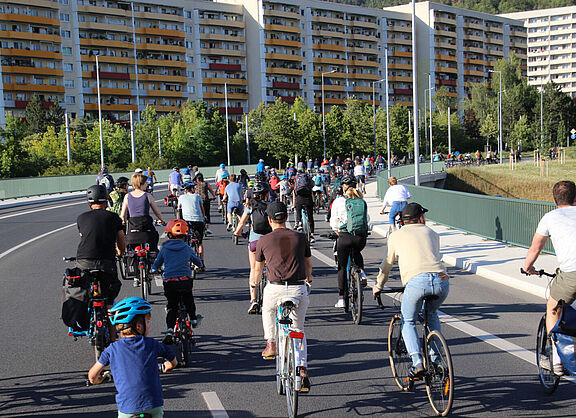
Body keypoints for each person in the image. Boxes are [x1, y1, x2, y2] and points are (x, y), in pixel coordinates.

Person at [372, 203, 449, 379]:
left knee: (408, 320)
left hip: (416, 283)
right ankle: (436, 361)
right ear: (421, 218)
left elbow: (387, 265)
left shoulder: (396, 236)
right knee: (432, 314)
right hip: (441, 281)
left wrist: (379, 285)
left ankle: (417, 363)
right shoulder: (432, 233)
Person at [253, 201, 312, 391]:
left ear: (269, 220)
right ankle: (301, 368)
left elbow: (257, 270)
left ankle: (271, 343)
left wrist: (254, 286)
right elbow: (308, 265)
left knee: (268, 310)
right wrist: (308, 278)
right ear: (286, 217)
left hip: (275, 288)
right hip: (298, 289)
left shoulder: (263, 240)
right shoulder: (301, 237)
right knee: (298, 329)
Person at [88, 297, 177, 418]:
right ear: (139, 326)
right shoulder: (152, 344)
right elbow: (173, 361)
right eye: (147, 322)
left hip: (128, 408)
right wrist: (167, 366)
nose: (149, 326)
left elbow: (92, 376)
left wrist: (98, 380)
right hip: (153, 405)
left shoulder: (112, 349)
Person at [523, 180, 576, 376]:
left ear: (554, 200)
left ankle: (556, 360)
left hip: (571, 275)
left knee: (553, 307)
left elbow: (535, 248)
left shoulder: (550, 217)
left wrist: (528, 267)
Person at [77, 184, 125, 339]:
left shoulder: (81, 217)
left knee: (85, 291)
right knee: (110, 298)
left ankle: (86, 315)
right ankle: (112, 337)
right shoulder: (114, 217)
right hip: (106, 263)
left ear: (89, 203)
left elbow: (84, 238)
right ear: (106, 202)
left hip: (84, 261)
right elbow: (121, 240)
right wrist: (121, 251)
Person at [152, 220, 204, 342]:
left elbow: (156, 264)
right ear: (185, 235)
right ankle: (193, 319)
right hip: (185, 281)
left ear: (169, 235)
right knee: (189, 299)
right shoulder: (187, 248)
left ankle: (170, 330)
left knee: (172, 305)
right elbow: (198, 262)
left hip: (170, 282)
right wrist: (199, 265)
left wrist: (154, 269)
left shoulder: (164, 249)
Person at [329, 176, 370, 308]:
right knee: (356, 252)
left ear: (343, 188)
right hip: (360, 238)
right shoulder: (361, 201)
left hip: (344, 237)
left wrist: (338, 232)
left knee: (341, 267)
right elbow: (367, 219)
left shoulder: (339, 201)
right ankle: (361, 272)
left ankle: (341, 298)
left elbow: (333, 222)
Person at [120, 174, 166, 286]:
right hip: (146, 228)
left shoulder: (127, 196)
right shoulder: (147, 196)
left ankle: (135, 276)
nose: (147, 185)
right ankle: (154, 267)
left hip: (132, 228)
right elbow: (156, 211)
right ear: (141, 184)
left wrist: (124, 222)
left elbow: (123, 215)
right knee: (153, 242)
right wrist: (162, 220)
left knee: (132, 249)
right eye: (145, 183)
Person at [233, 182, 272, 314]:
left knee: (254, 269)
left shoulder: (250, 206)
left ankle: (254, 299)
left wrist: (237, 233)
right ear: (267, 194)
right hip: (270, 242)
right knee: (272, 267)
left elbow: (242, 222)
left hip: (255, 242)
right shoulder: (271, 206)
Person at [178, 183, 206, 264]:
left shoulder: (181, 197)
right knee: (200, 242)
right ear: (192, 189)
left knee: (184, 240)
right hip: (198, 220)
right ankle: (201, 262)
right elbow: (202, 209)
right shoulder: (197, 196)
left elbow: (179, 210)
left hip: (186, 221)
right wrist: (204, 217)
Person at [293, 170, 315, 243]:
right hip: (308, 199)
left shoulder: (297, 180)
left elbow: (294, 192)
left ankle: (299, 222)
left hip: (299, 199)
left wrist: (293, 204)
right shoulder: (308, 179)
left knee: (298, 208)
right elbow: (312, 187)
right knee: (310, 216)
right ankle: (312, 235)